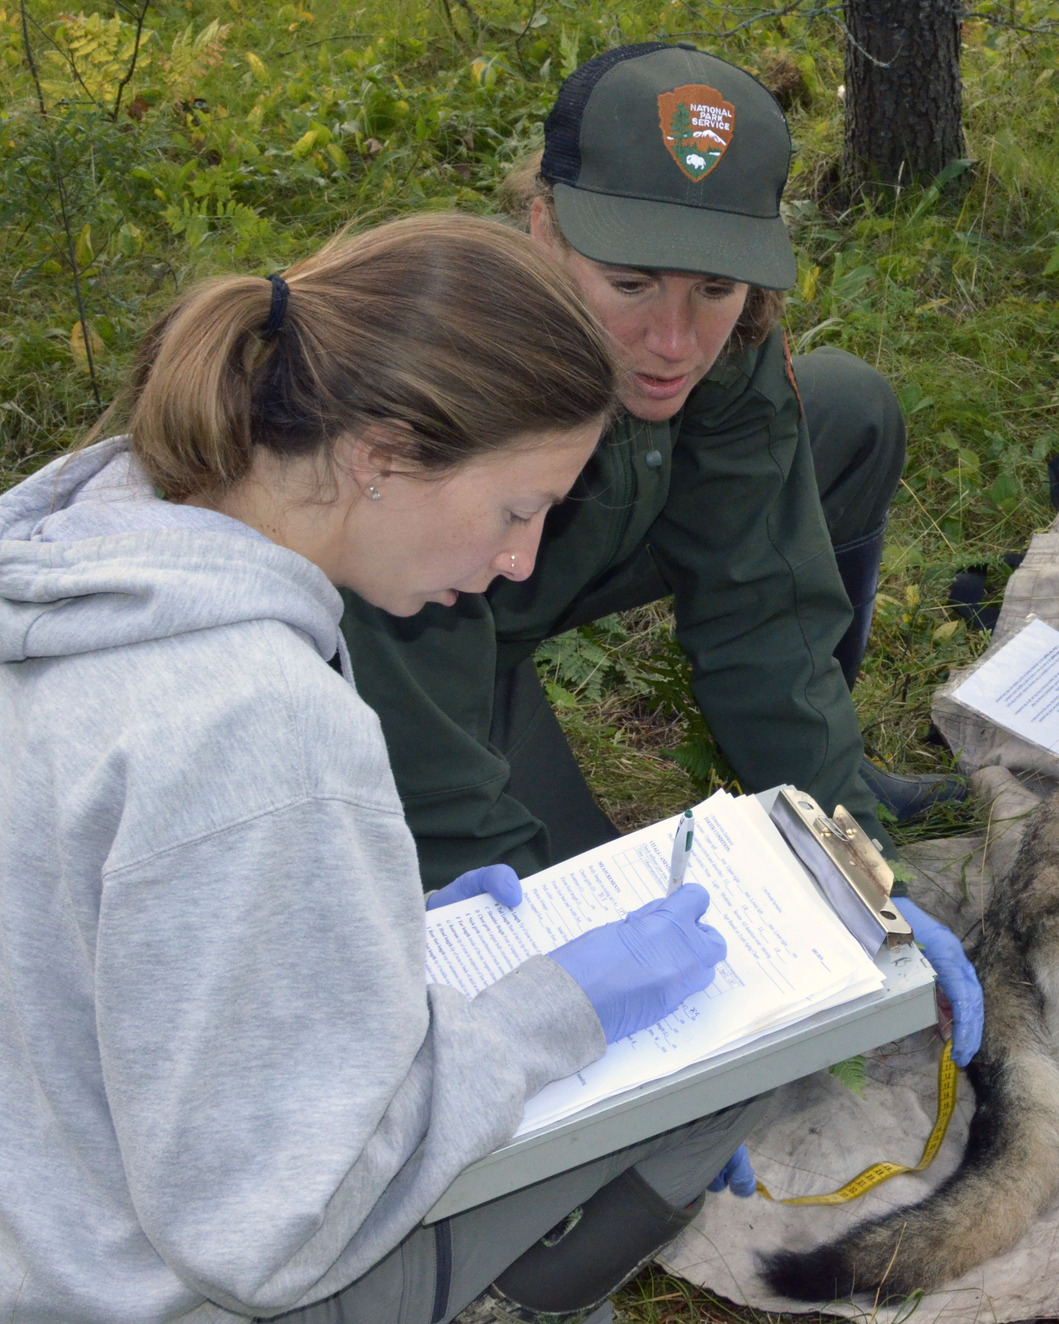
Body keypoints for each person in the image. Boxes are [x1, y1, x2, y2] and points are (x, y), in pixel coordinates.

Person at [0, 214, 789, 1323]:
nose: (520, 561)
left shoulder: (83, 561)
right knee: (712, 1079)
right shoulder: (260, 721)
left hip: (45, 1217)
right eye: (520, 509)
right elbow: (272, 1229)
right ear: (379, 458)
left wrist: (373, 937)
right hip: (151, 1291)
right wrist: (555, 1011)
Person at [339, 43, 960, 909]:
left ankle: (834, 771)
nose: (674, 341)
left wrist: (847, 843)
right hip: (426, 625)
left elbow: (763, 608)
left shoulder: (728, 345)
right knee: (561, 898)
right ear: (544, 230)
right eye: (629, 283)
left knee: (845, 405)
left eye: (714, 286)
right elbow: (431, 761)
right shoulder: (443, 373)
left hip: (579, 543)